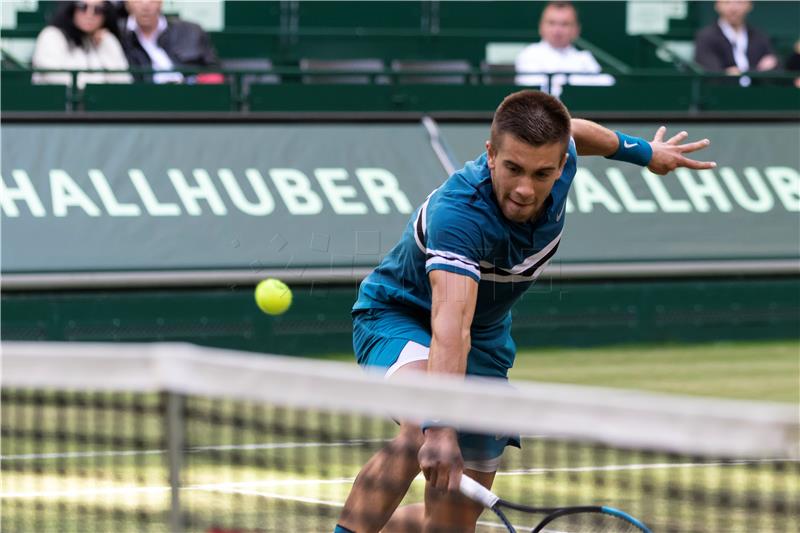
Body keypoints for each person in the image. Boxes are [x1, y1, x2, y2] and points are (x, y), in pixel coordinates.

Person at [334, 89, 715, 533]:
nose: (523, 189)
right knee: (424, 417)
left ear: (559, 166)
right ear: (491, 154)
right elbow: (451, 324)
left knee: (453, 523)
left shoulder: (563, 156)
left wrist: (645, 152)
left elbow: (582, 135)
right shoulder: (459, 215)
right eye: (513, 168)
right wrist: (439, 428)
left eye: (542, 173)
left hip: (487, 338)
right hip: (401, 316)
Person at [515, 1, 614, 97]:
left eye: (564, 24)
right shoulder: (529, 54)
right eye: (552, 23)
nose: (557, 30)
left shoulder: (584, 58)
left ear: (576, 29)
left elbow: (608, 85)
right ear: (541, 26)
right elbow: (534, 93)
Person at [32, 0, 132, 89]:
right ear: (71, 8)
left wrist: (106, 45)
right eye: (82, 7)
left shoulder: (106, 39)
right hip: (57, 107)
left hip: (101, 107)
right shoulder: (51, 36)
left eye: (98, 10)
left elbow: (123, 82)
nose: (90, 14)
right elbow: (60, 81)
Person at [120, 0, 220, 84]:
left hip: (189, 97)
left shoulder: (191, 31)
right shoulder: (118, 35)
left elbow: (214, 70)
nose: (145, 5)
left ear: (161, 2)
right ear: (127, 3)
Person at [694, 0, 778, 87]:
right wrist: (758, 71)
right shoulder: (706, 37)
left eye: (739, 2)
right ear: (717, 5)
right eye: (727, 2)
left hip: (757, 94)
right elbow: (714, 74)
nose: (733, 8)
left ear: (749, 5)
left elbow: (776, 68)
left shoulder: (759, 36)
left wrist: (740, 72)